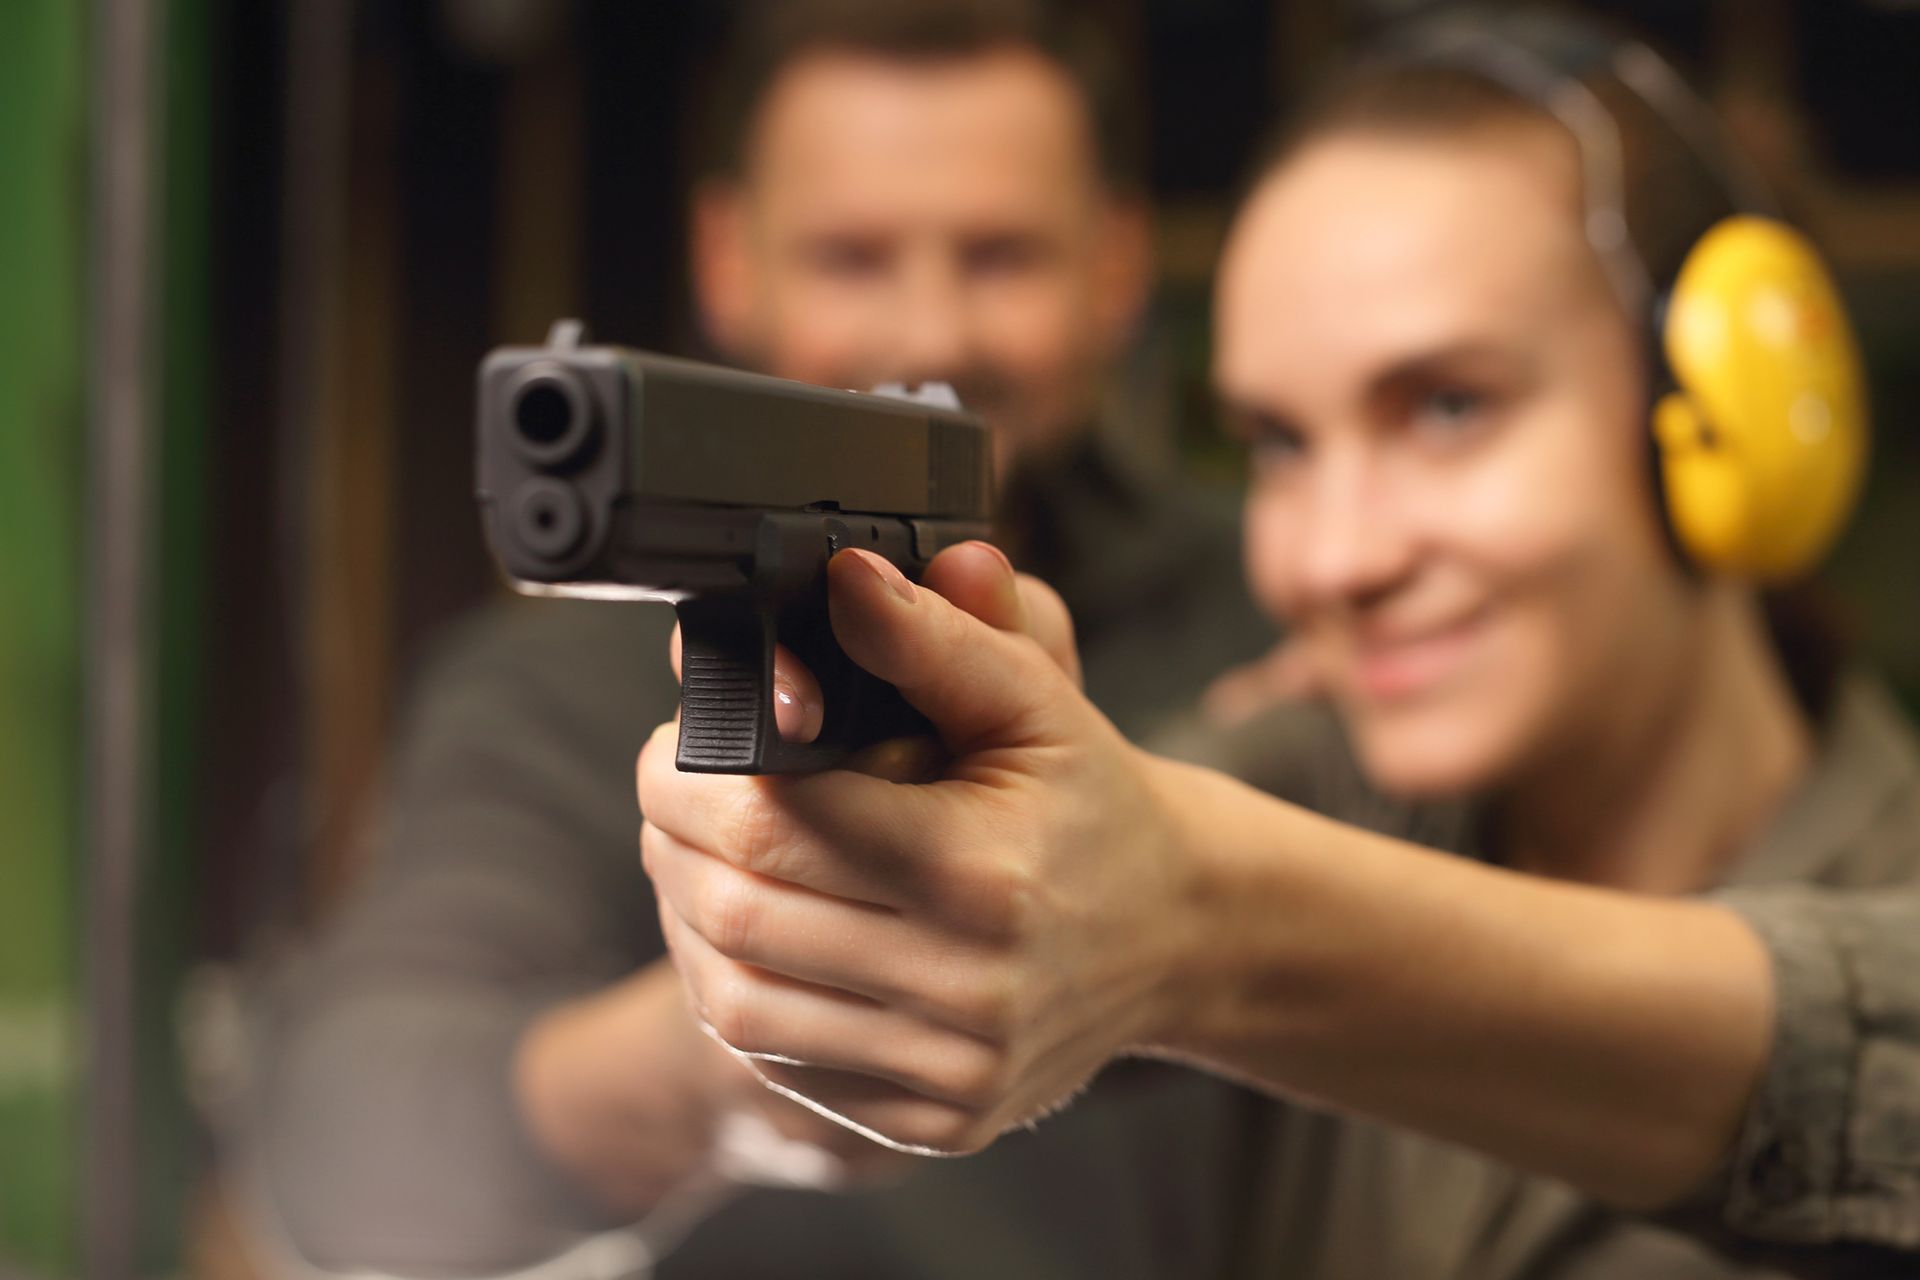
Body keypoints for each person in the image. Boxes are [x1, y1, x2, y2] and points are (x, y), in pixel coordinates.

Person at [637, 13, 1920, 1277]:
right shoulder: (1323, 776)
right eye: (1282, 446)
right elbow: (1047, 887)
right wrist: (873, 865)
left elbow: (1852, 1034)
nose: (1331, 558)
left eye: (1450, 406)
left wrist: (1198, 921)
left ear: (1731, 413)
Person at [248, 0, 1273, 1274]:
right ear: (728, 263)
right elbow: (345, 1137)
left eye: (1001, 255)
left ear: (1119, 266)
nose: (932, 335)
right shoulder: (555, 683)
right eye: (853, 255)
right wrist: (711, 1067)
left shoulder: (1277, 600)